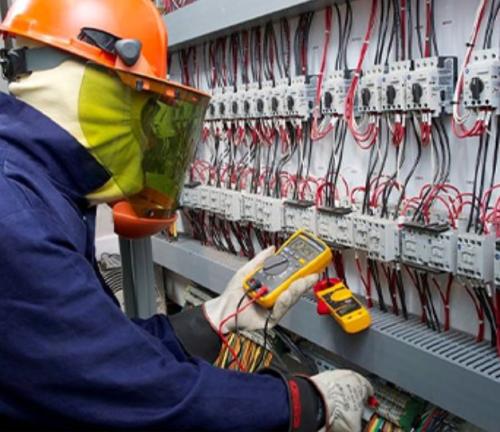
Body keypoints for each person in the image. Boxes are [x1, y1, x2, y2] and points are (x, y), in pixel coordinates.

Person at [0, 0, 373, 430]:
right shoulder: (18, 220)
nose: (150, 137)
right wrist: (307, 403)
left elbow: (97, 356)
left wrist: (215, 317)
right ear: (96, 89)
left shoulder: (39, 191)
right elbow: (139, 395)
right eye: (144, 108)